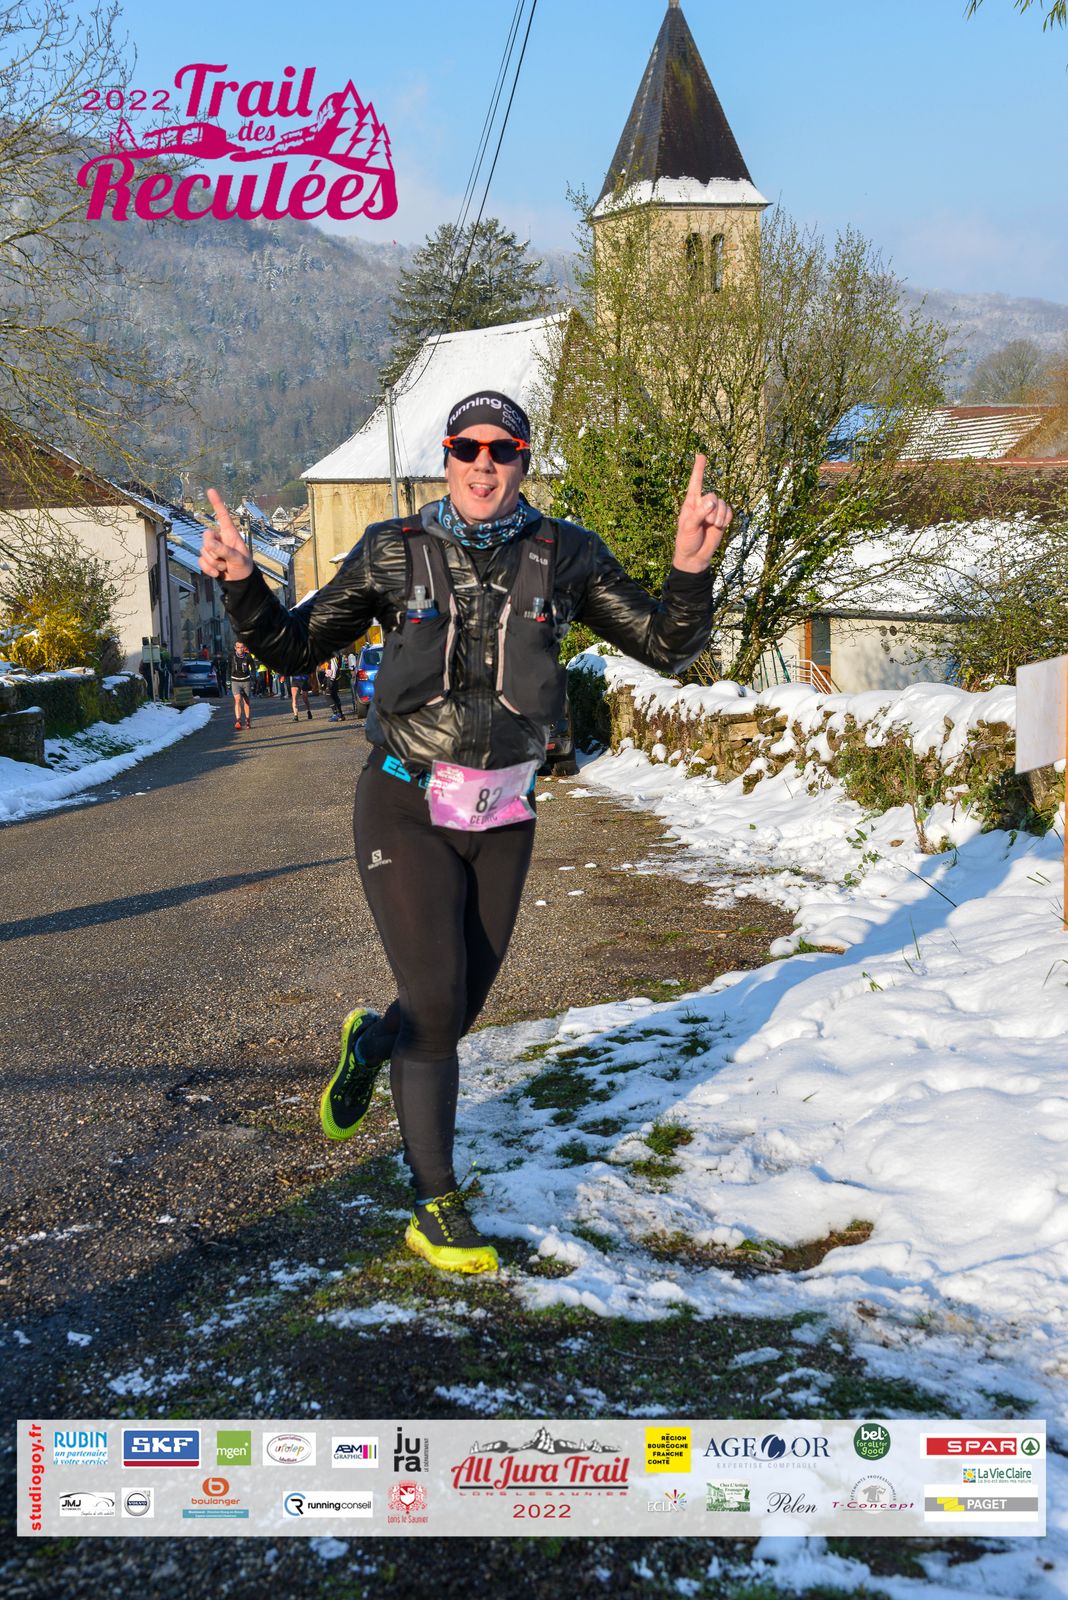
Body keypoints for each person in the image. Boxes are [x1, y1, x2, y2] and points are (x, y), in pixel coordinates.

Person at [200, 390, 730, 1276]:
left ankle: (373, 1042)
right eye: (466, 447)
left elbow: (667, 646)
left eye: (502, 449)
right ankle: (435, 1203)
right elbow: (293, 648)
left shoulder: (567, 553)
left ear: (524, 460)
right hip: (405, 801)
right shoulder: (392, 550)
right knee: (439, 1007)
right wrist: (243, 586)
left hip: (505, 810)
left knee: (457, 1005)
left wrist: (689, 568)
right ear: (446, 457)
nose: (484, 464)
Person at [229, 639, 253, 729]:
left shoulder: (248, 656)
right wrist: (227, 680)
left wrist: (253, 677)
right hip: (235, 680)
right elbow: (228, 668)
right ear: (235, 648)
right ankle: (238, 720)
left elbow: (253, 667)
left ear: (244, 648)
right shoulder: (231, 656)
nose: (240, 649)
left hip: (246, 680)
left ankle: (247, 719)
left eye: (241, 647)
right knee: (237, 699)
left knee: (246, 701)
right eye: (238, 647)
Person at [322, 656, 346, 722]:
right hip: (330, 678)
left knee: (328, 695)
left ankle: (336, 714)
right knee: (334, 696)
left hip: (332, 679)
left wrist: (332, 679)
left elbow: (334, 668)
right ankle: (340, 714)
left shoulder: (332, 657)